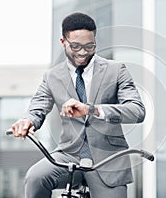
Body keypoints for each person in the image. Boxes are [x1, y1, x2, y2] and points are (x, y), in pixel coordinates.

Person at [11, 12, 145, 198]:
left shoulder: (116, 71)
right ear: (63, 42)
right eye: (75, 46)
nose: (83, 52)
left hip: (108, 159)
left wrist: (93, 109)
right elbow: (37, 107)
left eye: (89, 46)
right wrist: (27, 121)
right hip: (68, 155)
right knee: (35, 177)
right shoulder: (52, 77)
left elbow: (137, 111)